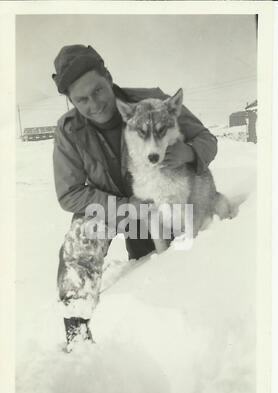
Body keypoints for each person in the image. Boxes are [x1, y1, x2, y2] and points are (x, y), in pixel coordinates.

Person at [52, 44, 218, 349]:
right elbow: (69, 193)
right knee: (82, 234)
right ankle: (77, 331)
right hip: (120, 209)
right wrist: (125, 207)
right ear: (71, 101)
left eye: (99, 91)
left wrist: (190, 153)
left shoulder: (151, 101)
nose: (94, 104)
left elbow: (206, 138)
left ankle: (189, 318)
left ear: (109, 77)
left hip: (163, 200)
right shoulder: (69, 131)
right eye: (81, 100)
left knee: (154, 263)